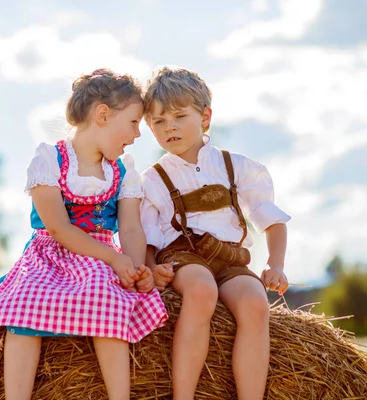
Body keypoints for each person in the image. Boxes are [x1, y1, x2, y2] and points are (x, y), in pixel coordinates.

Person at [0, 68, 168, 400]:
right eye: (133, 122)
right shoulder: (49, 160)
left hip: (100, 255)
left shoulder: (123, 171)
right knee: (24, 302)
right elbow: (58, 227)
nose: (138, 133)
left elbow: (129, 226)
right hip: (50, 254)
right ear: (102, 115)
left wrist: (135, 267)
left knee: (107, 294)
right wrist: (114, 258)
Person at [141, 66, 291, 400]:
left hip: (230, 257)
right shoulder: (152, 180)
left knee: (255, 303)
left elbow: (271, 219)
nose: (170, 128)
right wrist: (152, 267)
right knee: (201, 289)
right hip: (183, 256)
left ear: (205, 117)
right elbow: (148, 233)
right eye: (159, 122)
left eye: (179, 117)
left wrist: (276, 264)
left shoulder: (235, 166)